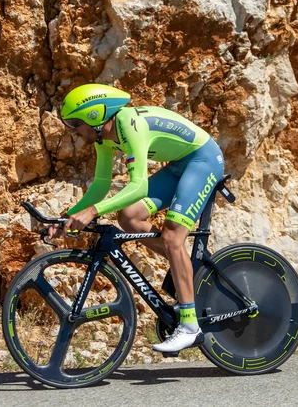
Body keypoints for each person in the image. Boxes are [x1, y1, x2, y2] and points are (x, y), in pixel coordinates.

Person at [48, 83, 224, 353]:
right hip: (179, 165)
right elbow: (101, 185)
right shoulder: (104, 137)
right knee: (129, 217)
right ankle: (189, 268)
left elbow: (138, 186)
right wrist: (68, 217)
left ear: (94, 116)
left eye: (75, 124)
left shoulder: (129, 124)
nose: (74, 131)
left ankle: (190, 326)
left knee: (172, 236)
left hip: (203, 160)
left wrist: (93, 211)